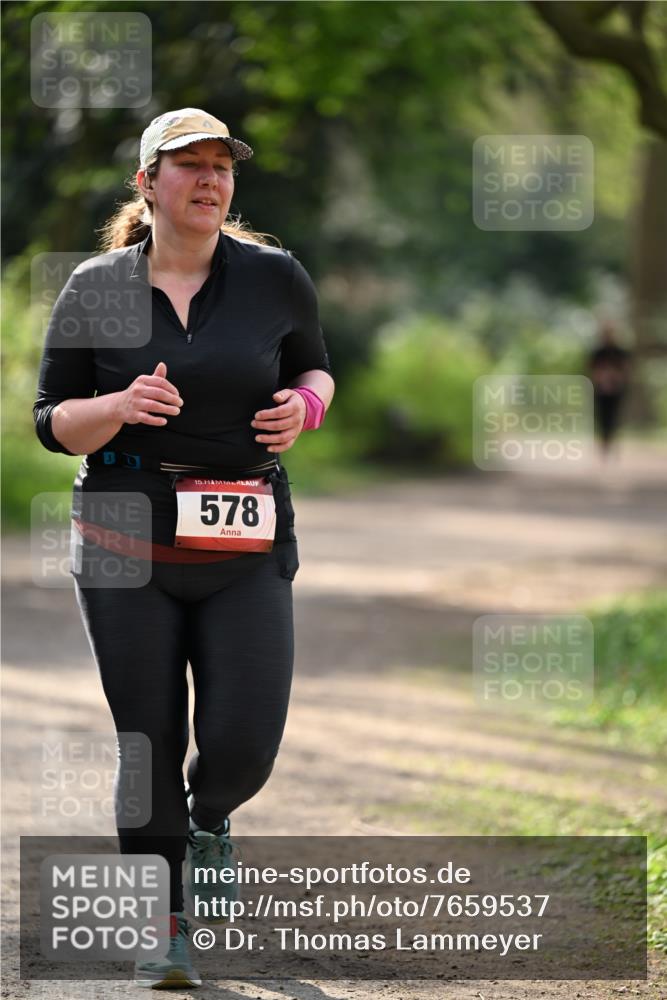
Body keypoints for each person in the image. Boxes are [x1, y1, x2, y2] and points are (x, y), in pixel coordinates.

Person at [33, 108, 335, 989]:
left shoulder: (274, 278)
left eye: (221, 167)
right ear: (147, 185)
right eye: (190, 166)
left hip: (243, 527)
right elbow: (53, 422)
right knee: (145, 738)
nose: (211, 180)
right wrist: (119, 406)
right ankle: (164, 928)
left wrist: (303, 408)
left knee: (244, 740)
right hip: (124, 529)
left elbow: (314, 365)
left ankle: (211, 820)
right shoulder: (95, 285)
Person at [587, 320, 632, 458]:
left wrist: (617, 379)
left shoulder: (621, 352)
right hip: (600, 390)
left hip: (617, 390)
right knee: (602, 417)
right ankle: (604, 445)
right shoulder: (597, 352)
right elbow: (591, 370)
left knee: (614, 417)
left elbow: (627, 370)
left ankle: (612, 444)